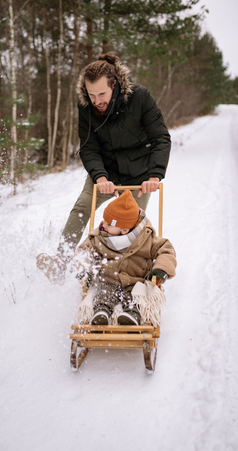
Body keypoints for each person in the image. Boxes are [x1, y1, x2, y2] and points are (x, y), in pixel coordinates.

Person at [37, 52, 171, 285]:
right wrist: (99, 177)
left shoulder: (140, 97)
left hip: (139, 175)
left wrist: (154, 175)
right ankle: (61, 261)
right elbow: (88, 147)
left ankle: (131, 276)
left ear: (115, 85)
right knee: (82, 206)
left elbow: (160, 137)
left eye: (102, 94)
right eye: (91, 94)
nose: (96, 100)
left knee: (131, 227)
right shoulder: (87, 107)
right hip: (106, 172)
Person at [70, 190, 177, 326]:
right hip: (108, 280)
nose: (103, 225)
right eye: (104, 221)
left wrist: (161, 269)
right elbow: (84, 251)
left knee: (135, 295)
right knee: (104, 294)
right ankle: (101, 311)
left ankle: (131, 314)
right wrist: (83, 268)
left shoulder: (146, 238)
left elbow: (166, 250)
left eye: (109, 224)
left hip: (135, 281)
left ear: (124, 230)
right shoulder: (99, 237)